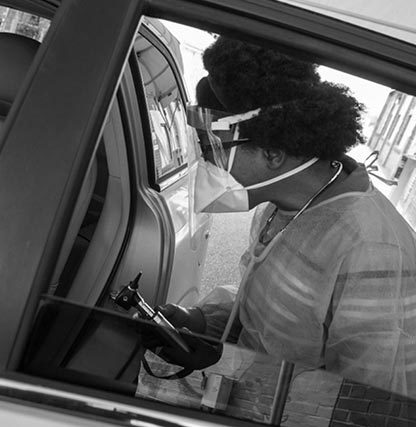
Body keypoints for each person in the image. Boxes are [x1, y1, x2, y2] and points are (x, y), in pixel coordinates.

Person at [151, 37, 416, 397]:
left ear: (272, 153)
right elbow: (267, 313)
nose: (206, 164)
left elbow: (368, 402)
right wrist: (202, 323)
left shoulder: (371, 249)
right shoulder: (279, 206)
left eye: (213, 149)